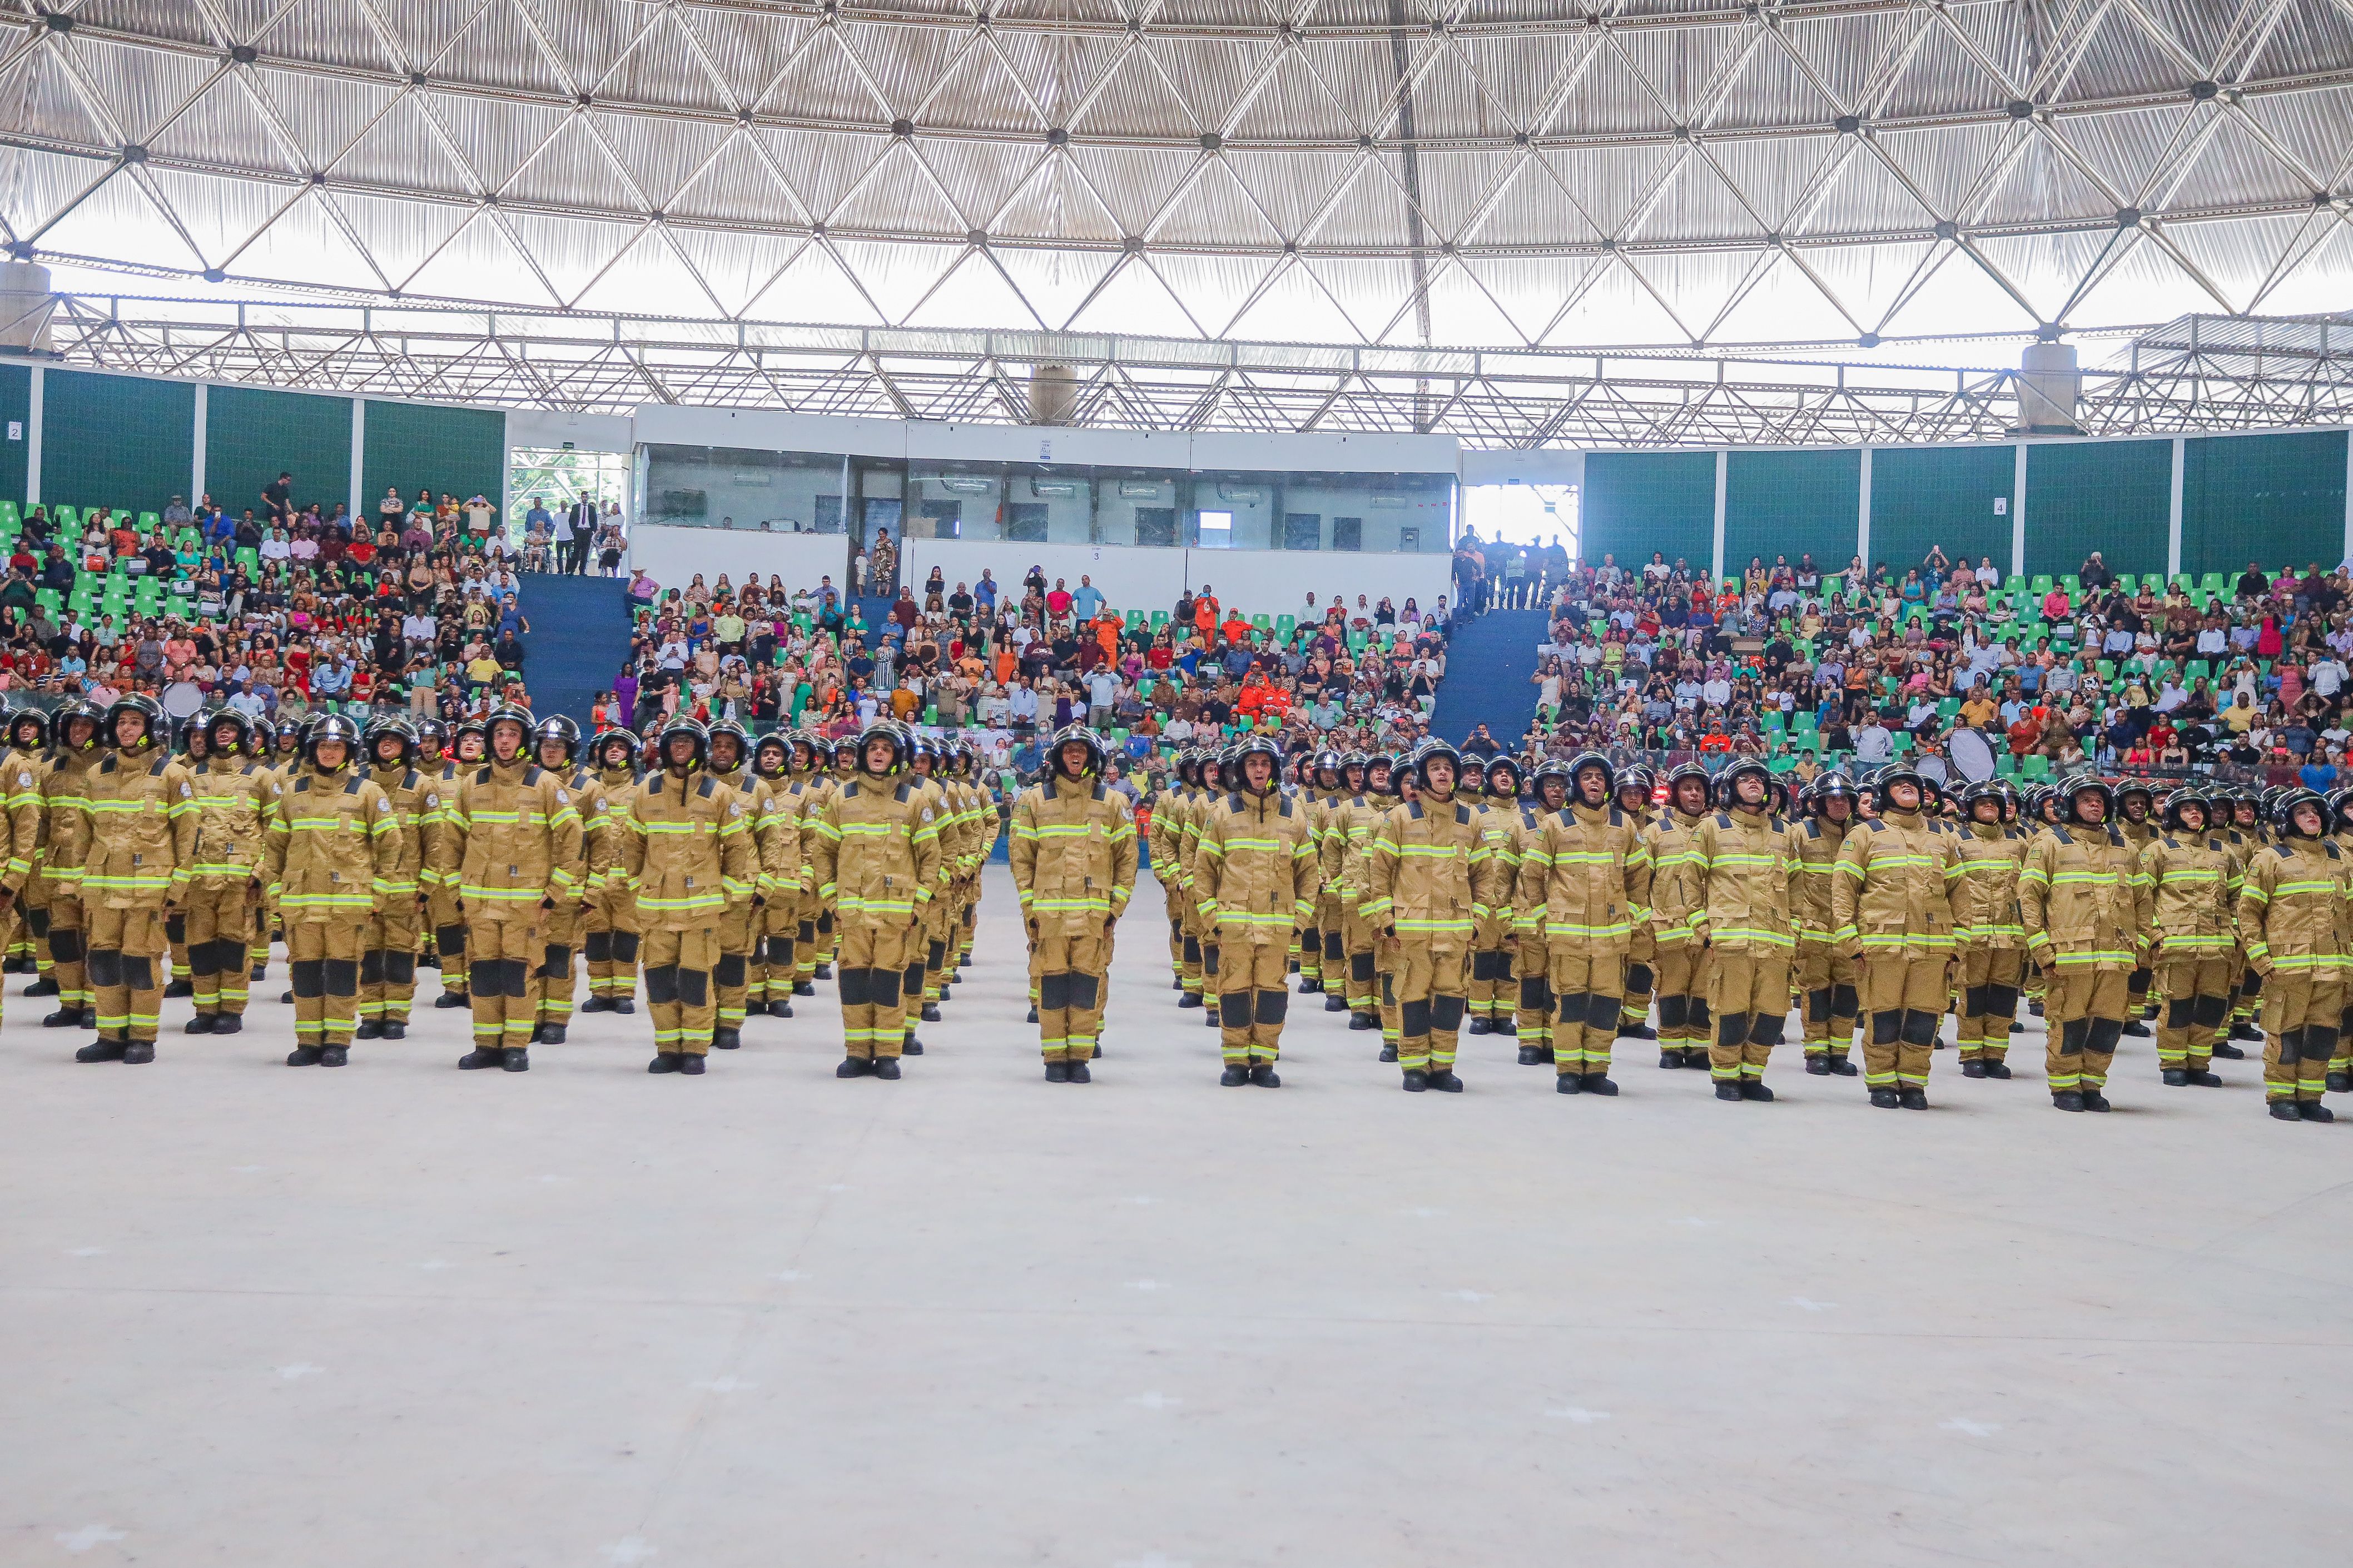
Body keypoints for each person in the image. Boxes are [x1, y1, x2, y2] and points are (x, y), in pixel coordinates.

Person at [435, 705, 585, 1073]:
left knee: (518, 975)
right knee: (484, 973)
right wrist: (457, 890)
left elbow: (573, 840)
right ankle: (486, 1044)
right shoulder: (473, 785)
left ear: (525, 740)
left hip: (526, 906)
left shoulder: (545, 784)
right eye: (499, 733)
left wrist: (555, 892)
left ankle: (516, 1044)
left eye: (512, 734)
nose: (504, 741)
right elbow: (451, 841)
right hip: (480, 903)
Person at [66, 695, 200, 1064]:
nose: (126, 728)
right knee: (105, 963)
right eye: (122, 721)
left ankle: (142, 1037)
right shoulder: (97, 774)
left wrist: (177, 886)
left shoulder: (172, 773)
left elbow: (189, 835)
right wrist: (82, 880)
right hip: (103, 890)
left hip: (148, 892)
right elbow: (82, 835)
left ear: (152, 728)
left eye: (135, 722)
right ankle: (110, 1035)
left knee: (140, 964)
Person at [262, 714, 400, 1066]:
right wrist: (276, 890)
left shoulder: (367, 792)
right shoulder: (294, 792)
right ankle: (308, 1040)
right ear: (313, 749)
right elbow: (276, 845)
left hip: (347, 905)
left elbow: (391, 844)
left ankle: (338, 1040)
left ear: (349, 751)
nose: (329, 752)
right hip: (300, 904)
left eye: (336, 746)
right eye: (323, 745)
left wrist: (378, 893)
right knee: (305, 972)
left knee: (341, 972)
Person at [807, 721, 942, 1080]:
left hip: (897, 916)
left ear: (897, 756)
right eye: (873, 748)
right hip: (851, 914)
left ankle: (887, 1054)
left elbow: (931, 857)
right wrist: (832, 901)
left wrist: (919, 905)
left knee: (887, 983)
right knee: (853, 983)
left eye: (886, 748)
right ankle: (856, 1052)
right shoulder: (842, 798)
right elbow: (823, 854)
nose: (878, 753)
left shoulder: (914, 801)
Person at [1361, 738, 1497, 1092]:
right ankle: (1414, 1066)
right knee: (1413, 997)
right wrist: (1386, 921)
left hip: (1456, 933)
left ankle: (1443, 1066)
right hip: (1412, 931)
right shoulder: (1400, 818)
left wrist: (1478, 921)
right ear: (1423, 774)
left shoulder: (1471, 819)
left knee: (1451, 998)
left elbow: (1485, 877)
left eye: (1448, 769)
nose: (1442, 773)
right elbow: (1379, 873)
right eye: (1435, 768)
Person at [617, 716, 752, 1074]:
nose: (680, 748)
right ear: (664, 748)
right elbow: (632, 845)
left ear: (699, 749)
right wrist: (636, 886)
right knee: (660, 980)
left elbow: (738, 849)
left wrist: (727, 892)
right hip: (656, 909)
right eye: (675, 742)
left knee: (695, 979)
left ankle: (695, 1048)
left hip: (700, 910)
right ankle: (667, 1047)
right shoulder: (647, 791)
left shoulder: (718, 794)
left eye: (688, 743)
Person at [1830, 762, 1963, 1109]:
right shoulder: (1864, 835)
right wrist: (1850, 941)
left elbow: (1962, 893)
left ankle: (1914, 1083)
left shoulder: (1944, 836)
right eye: (1899, 784)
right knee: (1883, 1016)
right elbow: (1844, 890)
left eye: (1913, 784)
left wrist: (1960, 942)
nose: (1908, 788)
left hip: (1934, 948)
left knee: (1924, 1018)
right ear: (1883, 794)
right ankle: (1882, 1082)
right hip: (1880, 946)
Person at [1516, 751, 1649, 1094]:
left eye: (1600, 778)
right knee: (1571, 1002)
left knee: (1606, 1003)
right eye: (1588, 776)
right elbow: (1532, 874)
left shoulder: (1624, 825)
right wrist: (1545, 915)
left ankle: (1597, 1070)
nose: (1594, 782)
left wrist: (1633, 913)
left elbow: (1639, 876)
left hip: (1611, 936)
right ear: (1577, 784)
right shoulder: (1556, 824)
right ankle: (1569, 1070)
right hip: (1568, 934)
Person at [1010, 724, 1136, 1081]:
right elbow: (1022, 860)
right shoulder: (1034, 801)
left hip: (1094, 914)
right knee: (1052, 986)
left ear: (1093, 757)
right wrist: (1028, 907)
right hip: (1049, 914)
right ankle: (1054, 1057)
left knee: (1085, 985)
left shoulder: (1114, 803)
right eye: (1068, 751)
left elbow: (1128, 860)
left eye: (1081, 751)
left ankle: (1078, 1058)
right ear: (1057, 757)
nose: (1075, 756)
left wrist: (1116, 908)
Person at [1193, 733, 1320, 1086]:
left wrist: (1300, 919)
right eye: (1252, 764)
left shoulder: (1294, 813)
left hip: (1279, 928)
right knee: (1232, 991)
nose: (1259, 769)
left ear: (1274, 769)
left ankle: (1264, 1060)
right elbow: (1203, 870)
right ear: (1241, 769)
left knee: (1271, 994)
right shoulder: (1221, 813)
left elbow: (1309, 873)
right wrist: (1211, 917)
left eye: (1265, 763)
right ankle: (1235, 1060)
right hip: (1232, 926)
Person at [2019, 776, 2144, 1113]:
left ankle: (2093, 1083)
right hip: (2069, 955)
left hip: (2116, 957)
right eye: (2086, 799)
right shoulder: (2049, 844)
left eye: (2100, 801)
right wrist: (2043, 951)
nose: (2094, 805)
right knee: (2069, 1020)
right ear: (2068, 805)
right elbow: (2029, 900)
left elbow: (2144, 901)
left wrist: (2142, 944)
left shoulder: (2126, 849)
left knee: (2107, 1023)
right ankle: (2064, 1085)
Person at [1677, 757, 1799, 1101]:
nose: (1755, 785)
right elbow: (1689, 880)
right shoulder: (1713, 828)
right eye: (1745, 779)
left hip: (1775, 944)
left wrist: (1799, 928)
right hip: (1730, 940)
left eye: (1760, 780)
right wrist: (1702, 927)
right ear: (1730, 789)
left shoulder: (1784, 832)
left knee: (1772, 1015)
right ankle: (1726, 1075)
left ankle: (1753, 1074)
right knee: (1729, 1012)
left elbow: (1799, 886)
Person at [2238, 788, 2350, 1122]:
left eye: (2314, 811)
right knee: (2286, 1032)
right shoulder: (2270, 859)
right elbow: (2248, 914)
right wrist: (2262, 960)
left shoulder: (2342, 859)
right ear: (2286, 820)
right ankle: (2282, 1094)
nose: (2311, 816)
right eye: (2301, 812)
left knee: (2322, 1034)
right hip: (2287, 968)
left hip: (2335, 970)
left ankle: (2311, 1095)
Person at [180, 709, 277, 1037]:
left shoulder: (261, 778)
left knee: (235, 945)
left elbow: (276, 831)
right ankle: (205, 1007)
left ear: (245, 736)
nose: (223, 733)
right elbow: (180, 829)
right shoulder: (191, 777)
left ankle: (232, 1009)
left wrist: (261, 872)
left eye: (231, 729)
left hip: (241, 881)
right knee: (200, 944)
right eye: (219, 729)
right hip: (199, 880)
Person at [2138, 788, 2238, 1089]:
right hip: (2175, 945)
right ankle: (2173, 1062)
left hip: (2217, 947)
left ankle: (2199, 1062)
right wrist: (2155, 936)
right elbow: (2142, 898)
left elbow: (2239, 898)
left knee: (2210, 1007)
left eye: (2199, 809)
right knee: (2177, 1006)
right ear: (2173, 815)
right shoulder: (2159, 851)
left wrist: (2233, 932)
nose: (2195, 813)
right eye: (2187, 809)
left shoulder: (2224, 853)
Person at [359, 716, 434, 1040]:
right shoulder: (359, 783)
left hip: (406, 890)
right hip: (363, 887)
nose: (387, 744)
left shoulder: (421, 786)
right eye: (382, 739)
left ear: (407, 747)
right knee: (368, 951)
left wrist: (427, 887)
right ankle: (372, 1013)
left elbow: (436, 839)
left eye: (395, 739)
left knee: (402, 952)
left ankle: (397, 1014)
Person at [1789, 770, 1861, 1074]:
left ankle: (1840, 1053)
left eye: (1844, 798)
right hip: (1814, 930)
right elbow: (1789, 881)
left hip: (1850, 932)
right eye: (1832, 799)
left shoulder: (1862, 834)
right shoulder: (1801, 833)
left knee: (1847, 993)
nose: (1839, 804)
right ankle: (1816, 1051)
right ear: (1819, 803)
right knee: (1816, 992)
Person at [1645, 763, 1714, 1071]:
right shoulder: (1655, 832)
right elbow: (1638, 880)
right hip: (1669, 927)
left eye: (1699, 789)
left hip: (1709, 928)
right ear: (1675, 794)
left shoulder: (1717, 830)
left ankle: (1699, 1047)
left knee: (1703, 990)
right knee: (1671, 988)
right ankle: (1671, 1047)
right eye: (1687, 788)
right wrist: (1647, 918)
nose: (1694, 794)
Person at [580, 726, 645, 1014]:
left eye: (621, 747)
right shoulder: (587, 785)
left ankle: (623, 991)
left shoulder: (644, 786)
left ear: (631, 754)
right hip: (594, 877)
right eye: (610, 747)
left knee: (627, 935)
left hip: (628, 879)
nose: (615, 751)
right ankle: (599, 990)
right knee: (595, 934)